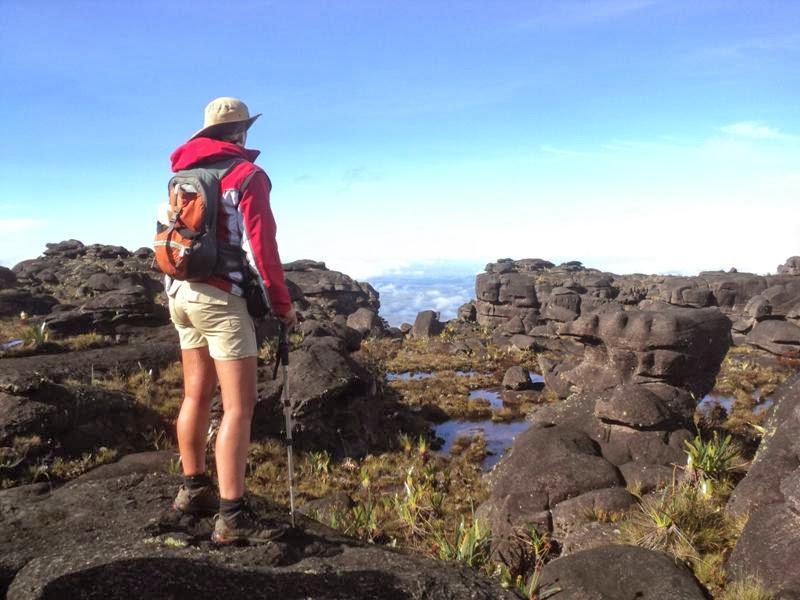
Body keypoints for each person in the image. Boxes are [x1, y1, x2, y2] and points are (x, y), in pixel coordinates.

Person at [166, 97, 297, 545]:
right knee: (238, 406)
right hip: (220, 300)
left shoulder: (182, 175)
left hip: (180, 294)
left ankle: (193, 490)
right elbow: (263, 248)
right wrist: (281, 304)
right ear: (240, 132)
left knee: (195, 395)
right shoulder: (247, 175)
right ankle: (233, 516)